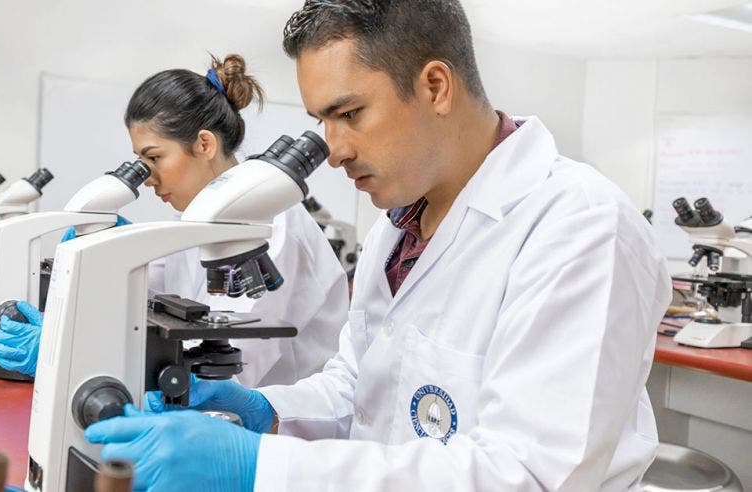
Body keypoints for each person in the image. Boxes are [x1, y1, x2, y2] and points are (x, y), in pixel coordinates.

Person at [83, 1, 672, 491]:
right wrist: (266, 411)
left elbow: (530, 474)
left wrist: (260, 467)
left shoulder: (580, 226)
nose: (333, 150)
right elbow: (360, 388)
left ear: (435, 86)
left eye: (349, 114)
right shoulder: (397, 224)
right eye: (322, 122)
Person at [0, 54, 349, 389]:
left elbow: (228, 372)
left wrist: (66, 354)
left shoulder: (272, 224)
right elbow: (147, 304)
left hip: (277, 431)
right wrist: (111, 258)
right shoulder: (196, 219)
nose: (146, 178)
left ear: (204, 144)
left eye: (154, 157)